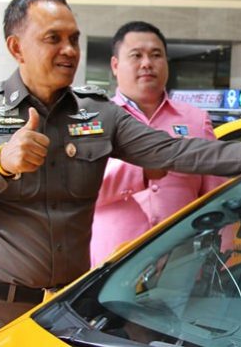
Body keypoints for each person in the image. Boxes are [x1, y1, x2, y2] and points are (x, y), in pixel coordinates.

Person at [0, 0, 241, 340]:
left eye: (74, 39)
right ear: (16, 47)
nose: (69, 50)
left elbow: (176, 151)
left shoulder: (98, 113)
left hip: (71, 307)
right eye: (53, 38)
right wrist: (1, 164)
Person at [90, 21, 225, 266]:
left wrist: (222, 259)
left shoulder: (195, 119)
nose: (147, 63)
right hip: (112, 265)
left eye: (155, 55)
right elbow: (80, 192)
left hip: (181, 263)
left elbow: (216, 196)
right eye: (136, 55)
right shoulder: (94, 118)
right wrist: (139, 172)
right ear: (115, 65)